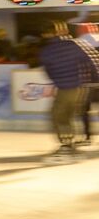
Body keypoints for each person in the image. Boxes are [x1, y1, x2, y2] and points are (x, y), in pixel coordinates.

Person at [37, 21, 99, 162]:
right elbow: (93, 60)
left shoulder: (46, 50)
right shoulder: (75, 44)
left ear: (46, 34)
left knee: (59, 115)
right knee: (66, 114)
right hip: (79, 86)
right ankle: (69, 144)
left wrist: (57, 82)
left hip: (69, 87)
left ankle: (67, 146)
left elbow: (48, 70)